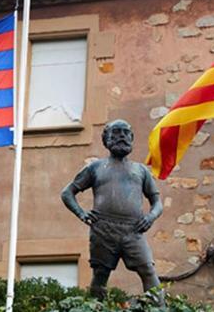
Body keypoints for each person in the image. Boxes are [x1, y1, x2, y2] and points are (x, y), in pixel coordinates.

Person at [60, 119, 163, 299]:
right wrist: (81, 214)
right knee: (100, 275)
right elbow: (67, 193)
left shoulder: (140, 170)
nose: (121, 136)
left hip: (133, 230)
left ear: (131, 138)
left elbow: (157, 201)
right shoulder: (95, 167)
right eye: (116, 133)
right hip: (103, 229)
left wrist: (150, 217)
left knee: (147, 269)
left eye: (125, 133)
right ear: (106, 139)